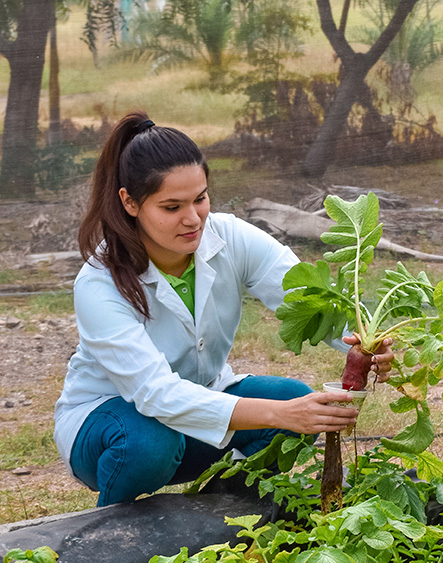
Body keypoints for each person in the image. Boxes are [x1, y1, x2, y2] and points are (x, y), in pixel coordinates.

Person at [54, 111, 393, 507]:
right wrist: (281, 414)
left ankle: (230, 518)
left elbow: (307, 297)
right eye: (171, 207)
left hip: (195, 416)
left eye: (200, 199)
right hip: (109, 428)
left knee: (291, 400)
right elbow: (156, 395)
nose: (193, 218)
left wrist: (362, 342)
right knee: (151, 441)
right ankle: (111, 541)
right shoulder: (100, 282)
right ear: (130, 202)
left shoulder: (230, 237)